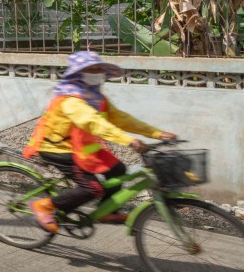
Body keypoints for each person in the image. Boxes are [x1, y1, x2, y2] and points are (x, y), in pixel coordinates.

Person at [22, 51, 176, 233]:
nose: (95, 72)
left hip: (82, 148)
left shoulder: (96, 97)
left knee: (119, 170)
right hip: (57, 148)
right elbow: (93, 123)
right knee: (92, 188)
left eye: (98, 69)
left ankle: (107, 210)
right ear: (77, 73)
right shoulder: (70, 99)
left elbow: (121, 119)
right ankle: (44, 205)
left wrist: (156, 133)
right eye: (90, 69)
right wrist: (129, 141)